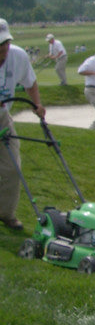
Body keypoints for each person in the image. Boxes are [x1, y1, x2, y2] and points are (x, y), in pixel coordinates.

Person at [0, 18, 46, 231]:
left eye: (6, 42)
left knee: (12, 167)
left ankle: (6, 214)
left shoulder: (18, 56)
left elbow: (30, 82)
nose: (4, 48)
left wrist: (37, 104)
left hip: (3, 117)